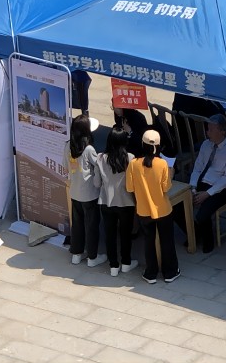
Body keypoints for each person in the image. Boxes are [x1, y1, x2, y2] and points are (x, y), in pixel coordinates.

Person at [126, 130, 180, 283]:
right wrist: (171, 174)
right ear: (158, 146)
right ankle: (170, 272)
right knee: (167, 240)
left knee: (149, 242)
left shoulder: (133, 164)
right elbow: (166, 187)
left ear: (142, 145)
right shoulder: (162, 164)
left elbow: (129, 187)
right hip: (163, 209)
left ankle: (151, 273)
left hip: (143, 210)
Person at [174, 114, 226, 253]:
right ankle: (194, 232)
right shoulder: (206, 145)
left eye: (211, 130)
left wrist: (207, 194)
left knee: (203, 214)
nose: (207, 132)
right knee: (176, 207)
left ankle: (208, 240)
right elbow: (198, 167)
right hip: (201, 182)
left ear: (222, 131)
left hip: (218, 188)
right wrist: (193, 187)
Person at [94, 126, 137, 276]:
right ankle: (126, 263)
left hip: (106, 201)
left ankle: (113, 265)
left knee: (110, 235)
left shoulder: (100, 158)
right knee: (126, 234)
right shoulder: (130, 158)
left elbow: (97, 184)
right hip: (126, 202)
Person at [66, 114, 105, 267]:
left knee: (77, 225)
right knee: (91, 227)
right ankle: (92, 257)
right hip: (89, 195)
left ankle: (76, 254)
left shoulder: (67, 145)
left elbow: (65, 165)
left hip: (74, 192)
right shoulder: (89, 149)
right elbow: (98, 165)